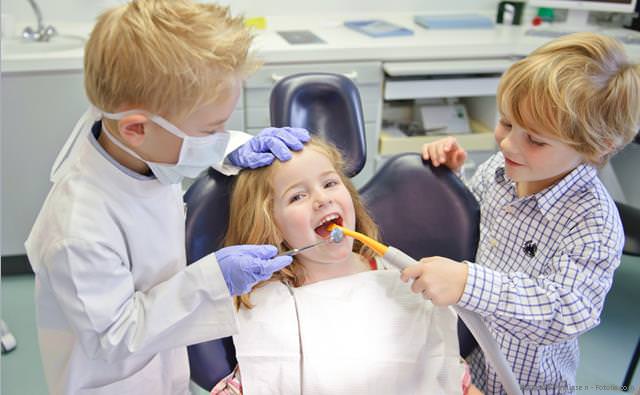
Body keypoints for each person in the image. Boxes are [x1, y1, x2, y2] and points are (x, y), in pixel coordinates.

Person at [24, 1, 310, 394]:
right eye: (212, 130)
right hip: (114, 380)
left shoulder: (131, 139)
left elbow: (172, 144)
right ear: (136, 128)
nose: (218, 138)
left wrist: (232, 149)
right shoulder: (78, 230)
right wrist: (214, 280)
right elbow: (115, 339)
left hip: (164, 362)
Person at [414, 32, 640, 394]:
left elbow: (568, 311)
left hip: (529, 383)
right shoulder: (500, 170)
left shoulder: (593, 223)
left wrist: (469, 284)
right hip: (468, 360)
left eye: (534, 139)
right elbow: (469, 226)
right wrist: (451, 180)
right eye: (506, 123)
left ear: (597, 147)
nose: (507, 143)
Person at [210, 138, 482, 395]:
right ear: (271, 224)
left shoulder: (398, 276)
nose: (322, 199)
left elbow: (447, 372)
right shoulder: (270, 302)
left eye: (329, 183)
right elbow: (259, 379)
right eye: (297, 196)